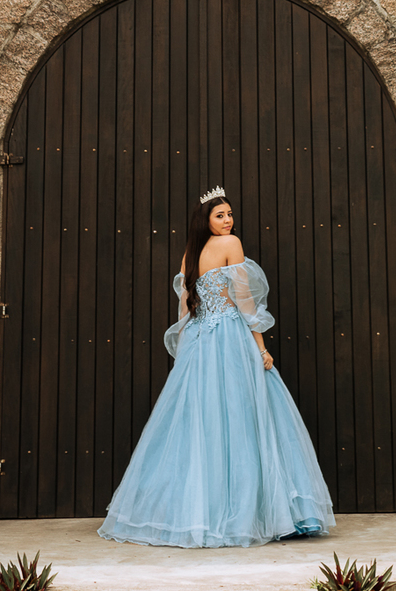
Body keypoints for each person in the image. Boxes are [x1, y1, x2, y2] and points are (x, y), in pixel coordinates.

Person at [98, 187, 335, 548]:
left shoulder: (190, 255)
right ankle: (256, 514)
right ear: (205, 220)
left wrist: (187, 351)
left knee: (199, 422)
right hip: (229, 337)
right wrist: (261, 347)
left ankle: (194, 515)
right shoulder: (231, 244)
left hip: (199, 340)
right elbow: (244, 300)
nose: (228, 221)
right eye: (219, 215)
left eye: (229, 214)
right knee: (245, 417)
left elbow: (185, 310)